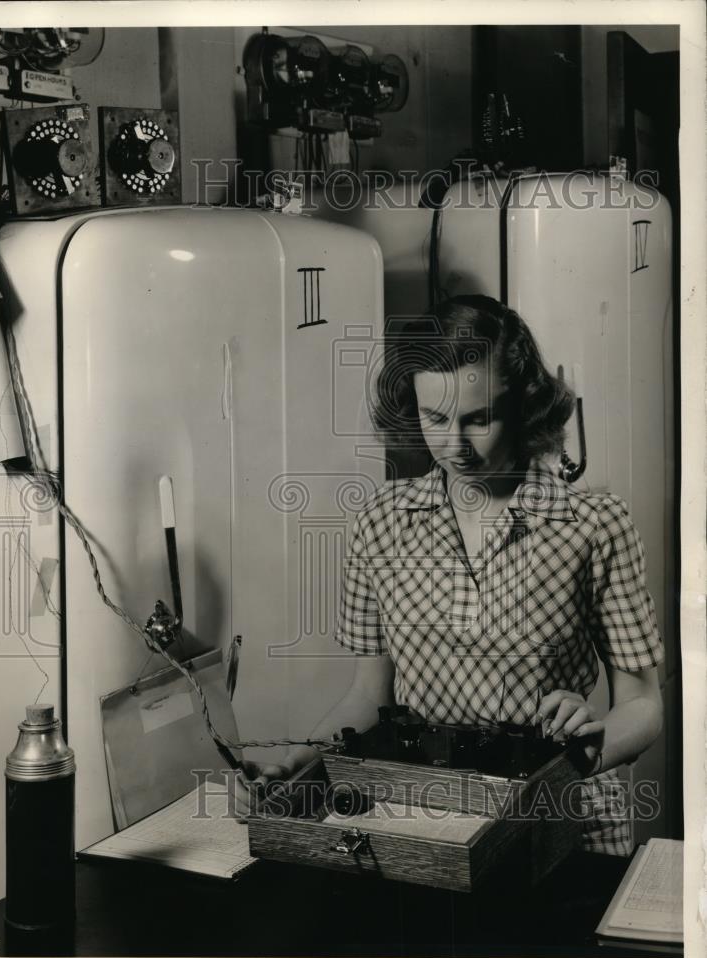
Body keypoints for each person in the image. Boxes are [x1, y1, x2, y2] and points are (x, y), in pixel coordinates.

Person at [237, 294, 664, 855]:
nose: (454, 444)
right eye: (434, 417)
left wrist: (583, 746)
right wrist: (312, 759)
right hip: (426, 813)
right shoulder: (381, 524)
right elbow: (369, 695)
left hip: (562, 817)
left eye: (478, 419)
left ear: (523, 407)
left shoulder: (594, 525)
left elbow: (645, 704)